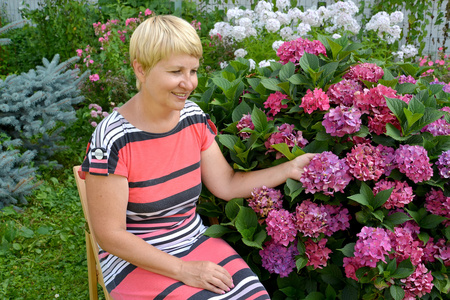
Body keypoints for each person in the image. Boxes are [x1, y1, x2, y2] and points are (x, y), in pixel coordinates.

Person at [80, 14, 315, 299]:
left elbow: (226, 184)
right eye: (176, 71)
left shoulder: (192, 118)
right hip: (134, 259)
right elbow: (110, 236)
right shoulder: (113, 139)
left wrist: (289, 169)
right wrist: (183, 270)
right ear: (141, 69)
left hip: (192, 240)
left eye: (193, 71)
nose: (188, 83)